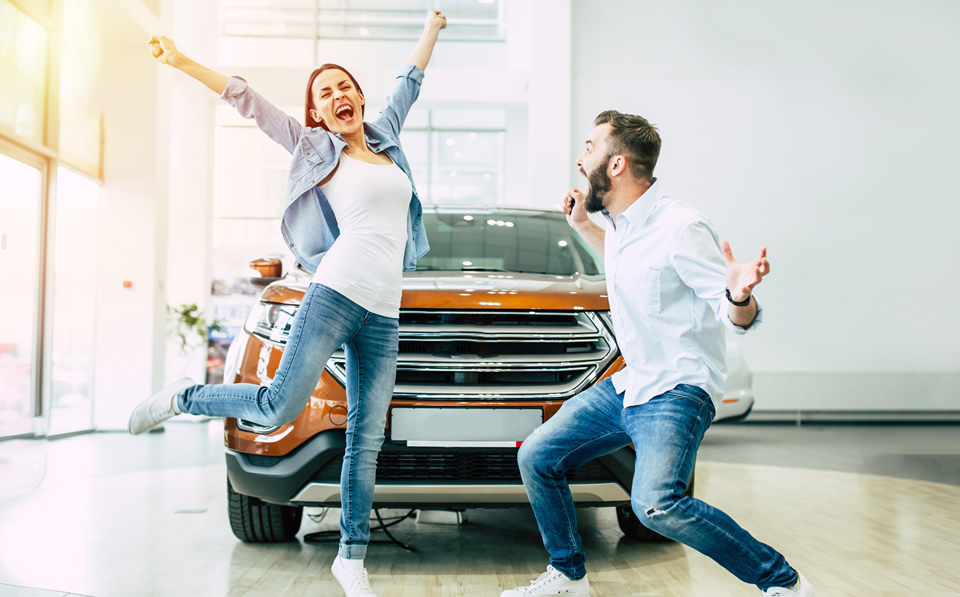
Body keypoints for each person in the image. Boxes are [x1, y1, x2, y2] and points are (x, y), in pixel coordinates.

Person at [128, 11, 447, 597]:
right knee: (278, 405)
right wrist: (179, 60)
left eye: (345, 85)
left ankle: (351, 557)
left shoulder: (386, 139)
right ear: (317, 112)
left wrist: (432, 26)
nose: (338, 95)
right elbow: (245, 99)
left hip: (384, 311)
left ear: (358, 95)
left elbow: (410, 80)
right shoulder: (311, 146)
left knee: (366, 437)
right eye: (324, 93)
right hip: (334, 293)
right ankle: (182, 396)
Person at [501, 111, 814, 597]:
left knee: (658, 504)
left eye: (589, 147)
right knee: (539, 455)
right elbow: (627, 260)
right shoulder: (624, 225)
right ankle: (568, 575)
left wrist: (738, 295)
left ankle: (783, 583)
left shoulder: (682, 226)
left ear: (618, 164)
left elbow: (736, 316)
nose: (581, 159)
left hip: (678, 388)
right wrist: (582, 224)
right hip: (633, 383)